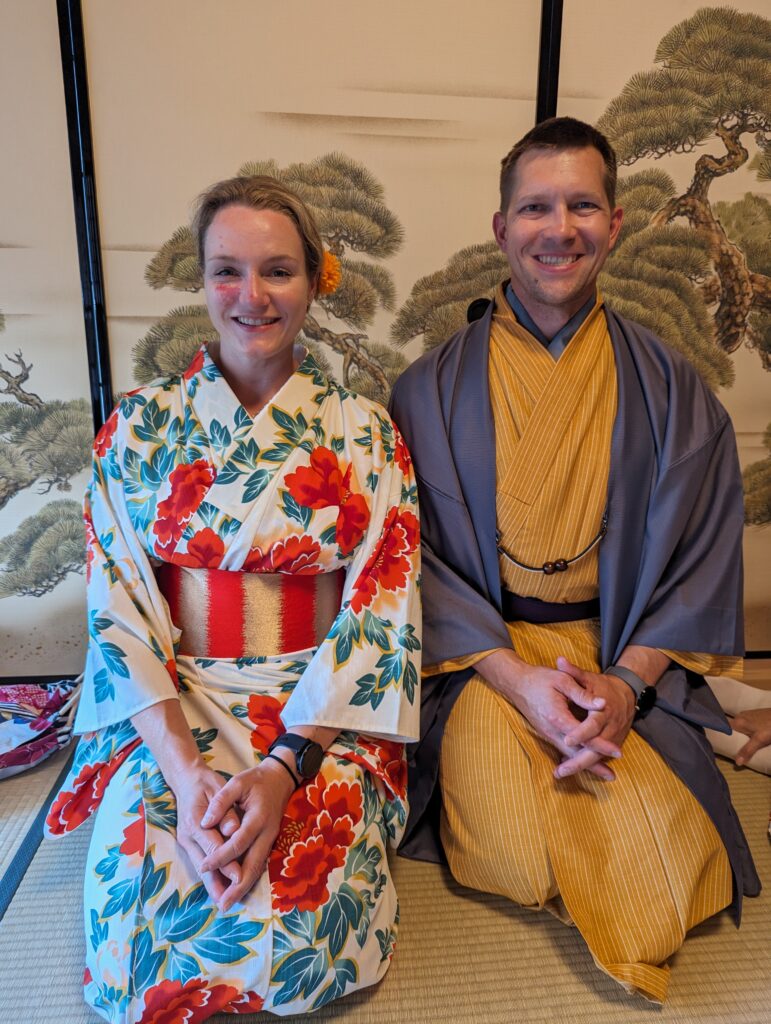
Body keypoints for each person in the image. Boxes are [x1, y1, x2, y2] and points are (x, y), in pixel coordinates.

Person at [389, 117, 760, 1003]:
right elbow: (407, 562)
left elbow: (700, 559)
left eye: (582, 206)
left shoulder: (672, 389)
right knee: (510, 857)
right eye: (535, 208)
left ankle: (651, 758)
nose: (558, 230)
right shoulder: (424, 390)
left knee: (672, 877)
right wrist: (518, 680)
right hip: (484, 660)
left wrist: (625, 688)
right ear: (500, 227)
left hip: (613, 652)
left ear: (615, 223)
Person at [45, 176, 421, 1022]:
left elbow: (379, 607)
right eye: (227, 271)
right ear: (203, 279)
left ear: (316, 278)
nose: (252, 296)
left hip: (314, 709)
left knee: (304, 895)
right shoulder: (138, 426)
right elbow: (118, 609)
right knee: (142, 894)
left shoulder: (365, 432)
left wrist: (286, 769)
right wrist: (185, 774)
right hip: (175, 700)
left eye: (278, 270)